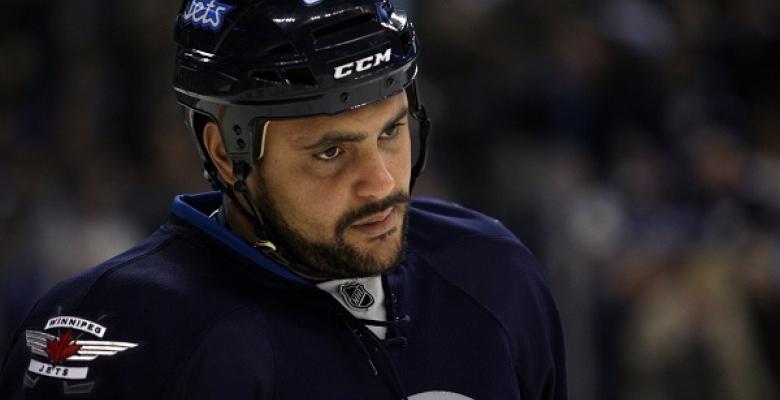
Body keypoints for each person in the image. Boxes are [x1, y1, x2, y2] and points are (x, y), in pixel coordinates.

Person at [0, 0, 566, 398]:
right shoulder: (112, 327)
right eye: (330, 153)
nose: (382, 183)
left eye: (390, 132)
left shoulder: (495, 276)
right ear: (226, 153)